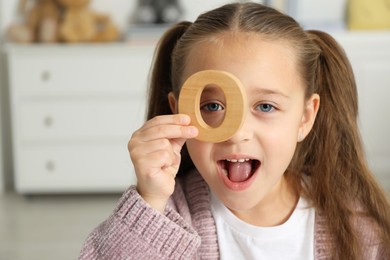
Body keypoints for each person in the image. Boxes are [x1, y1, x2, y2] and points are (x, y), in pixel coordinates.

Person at [79, 2, 390, 259]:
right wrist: (150, 204)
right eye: (212, 106)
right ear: (178, 111)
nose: (237, 133)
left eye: (265, 107)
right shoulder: (163, 218)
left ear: (305, 118)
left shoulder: (357, 227)